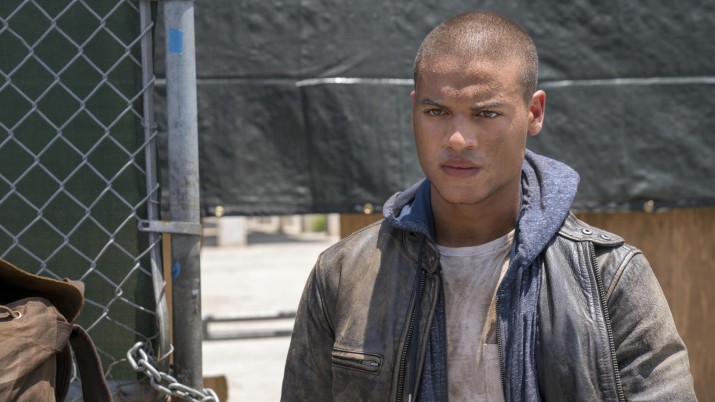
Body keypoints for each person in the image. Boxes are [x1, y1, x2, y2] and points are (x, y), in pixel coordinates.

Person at [281, 11, 697, 402]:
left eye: (485, 113)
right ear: (413, 111)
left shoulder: (607, 276)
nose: (458, 139)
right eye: (436, 111)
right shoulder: (343, 274)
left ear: (534, 113)